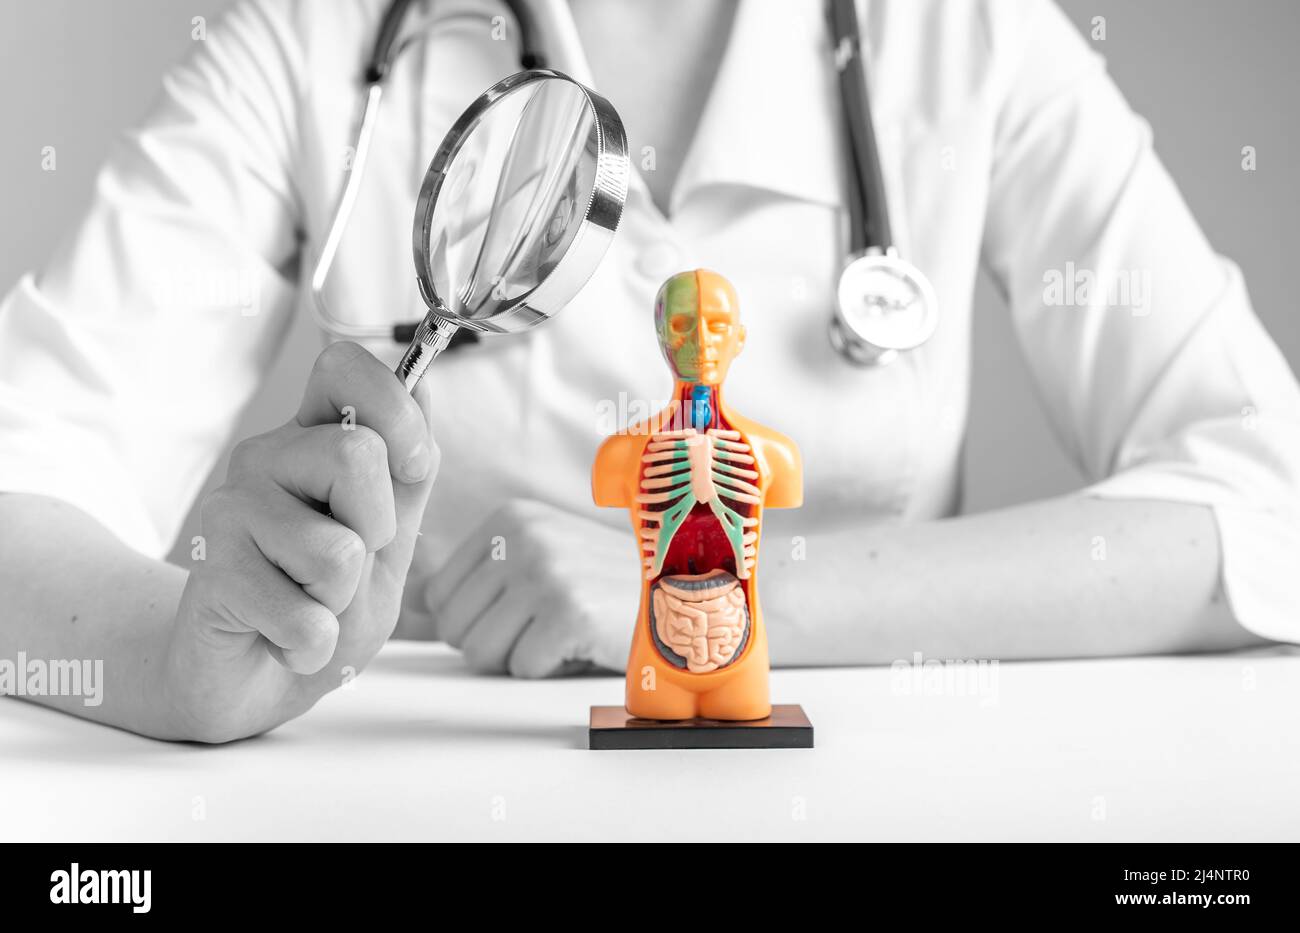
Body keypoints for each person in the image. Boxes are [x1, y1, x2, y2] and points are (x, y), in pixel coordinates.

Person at [1, 0, 1297, 742]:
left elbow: (1275, 504)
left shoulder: (963, 33)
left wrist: (715, 584)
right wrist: (176, 660)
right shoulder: (318, 34)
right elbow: (19, 474)